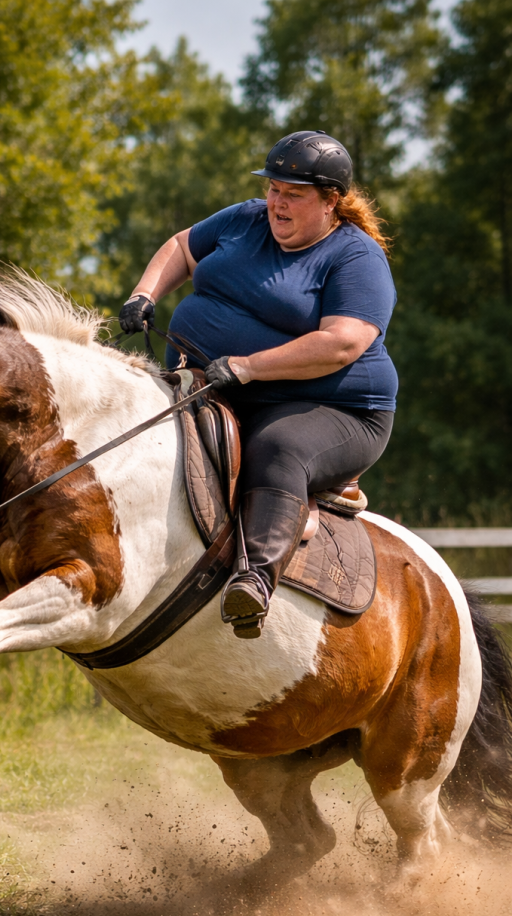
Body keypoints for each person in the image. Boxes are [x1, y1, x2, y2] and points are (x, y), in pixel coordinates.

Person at [119, 129, 397, 639]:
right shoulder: (246, 219)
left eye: (293, 194)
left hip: (337, 408)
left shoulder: (357, 258)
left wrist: (248, 367)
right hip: (222, 382)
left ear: (331, 201)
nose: (277, 202)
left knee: (277, 447)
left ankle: (255, 580)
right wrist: (145, 294)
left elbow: (340, 344)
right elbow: (182, 247)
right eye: (273, 188)